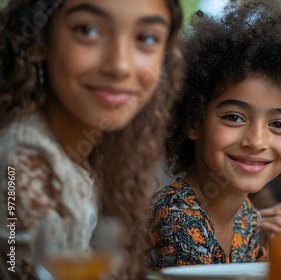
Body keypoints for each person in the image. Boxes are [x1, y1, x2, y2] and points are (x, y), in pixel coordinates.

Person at [144, 0, 281, 269]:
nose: (256, 141)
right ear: (193, 122)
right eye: (234, 117)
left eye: (278, 124)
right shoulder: (176, 217)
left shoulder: (247, 218)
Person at [0, 0, 183, 278]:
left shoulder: (93, 151)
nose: (120, 65)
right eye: (88, 30)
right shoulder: (21, 159)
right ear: (38, 41)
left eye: (146, 38)